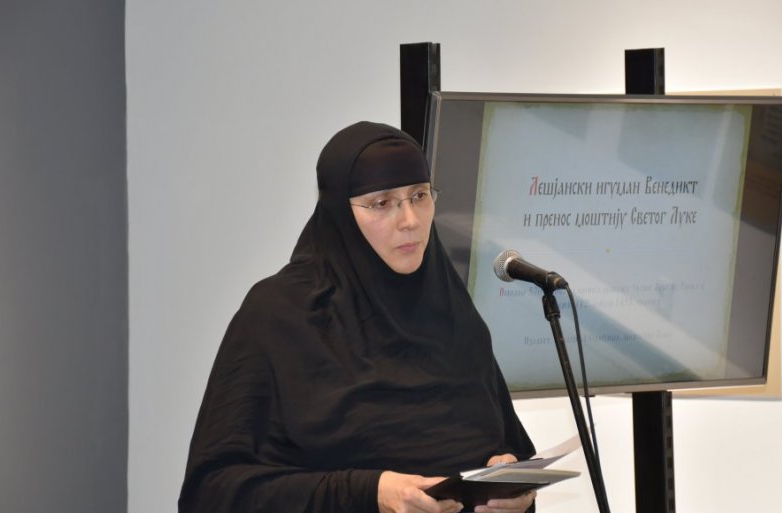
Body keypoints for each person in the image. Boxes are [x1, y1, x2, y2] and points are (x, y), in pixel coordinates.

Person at [179, 121, 537, 513]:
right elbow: (211, 491)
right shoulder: (278, 317)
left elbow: (506, 445)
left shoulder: (452, 310)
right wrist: (370, 493)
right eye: (382, 203)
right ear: (340, 213)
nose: (410, 220)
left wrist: (507, 484)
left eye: (419, 196)